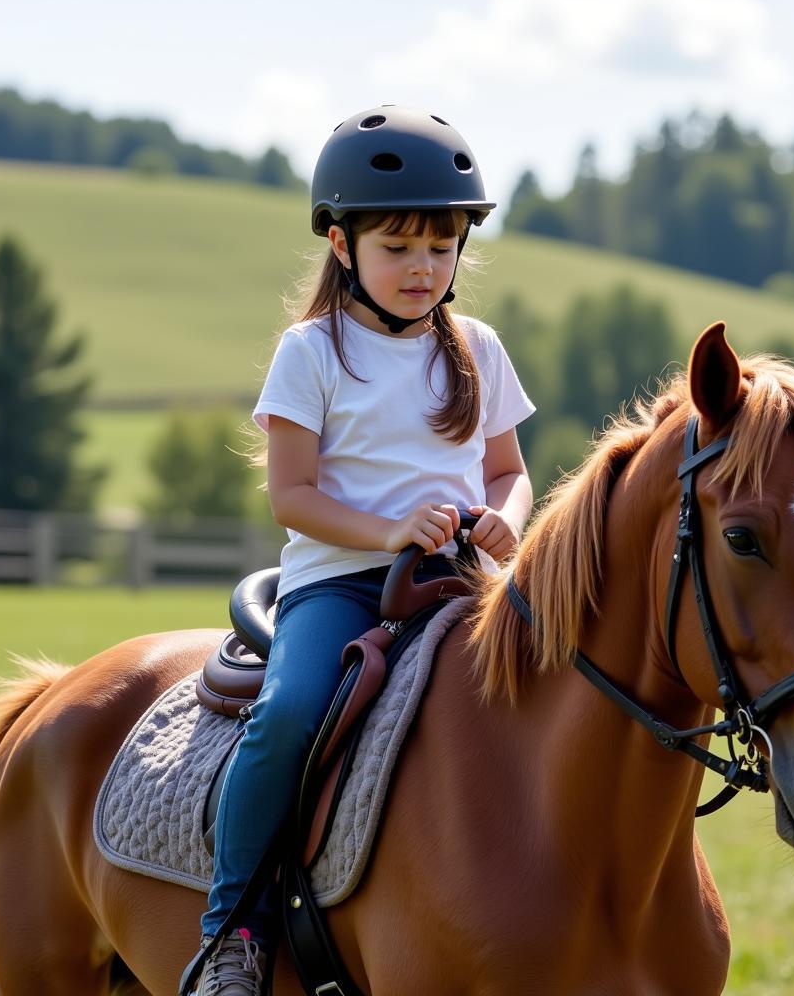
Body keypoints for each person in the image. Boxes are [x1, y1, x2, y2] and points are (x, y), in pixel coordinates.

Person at [183, 105, 535, 995]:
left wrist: (508, 522)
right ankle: (231, 929)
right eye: (397, 247)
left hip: (462, 583)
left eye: (441, 246)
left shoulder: (478, 351)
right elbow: (291, 496)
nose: (422, 268)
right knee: (291, 712)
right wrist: (387, 531)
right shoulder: (312, 352)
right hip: (339, 583)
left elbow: (508, 472)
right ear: (342, 245)